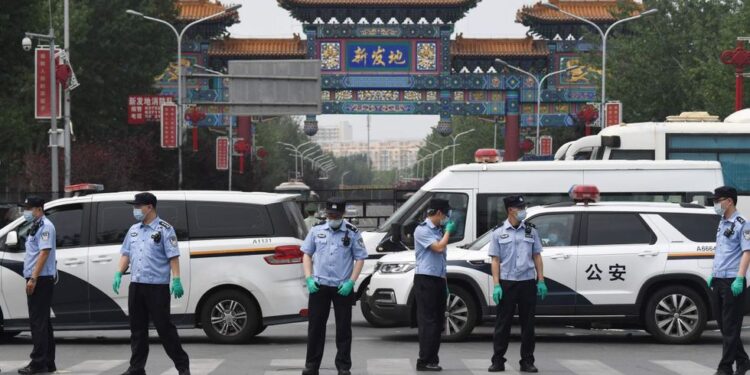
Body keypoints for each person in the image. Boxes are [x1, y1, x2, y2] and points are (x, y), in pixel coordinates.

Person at [113, 192, 190, 375]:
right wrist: (118, 272)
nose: (135, 210)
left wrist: (176, 279)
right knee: (137, 330)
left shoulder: (165, 229)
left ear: (149, 207)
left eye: (138, 207)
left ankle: (182, 365)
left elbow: (173, 256)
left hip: (157, 287)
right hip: (137, 286)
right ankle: (137, 368)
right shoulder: (133, 230)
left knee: (164, 329)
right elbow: (126, 254)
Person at [301, 197, 368, 375]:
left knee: (343, 328)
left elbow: (360, 258)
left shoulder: (353, 232)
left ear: (343, 214)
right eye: (330, 214)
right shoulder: (316, 230)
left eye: (336, 215)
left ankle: (344, 366)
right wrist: (309, 278)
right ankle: (311, 366)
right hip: (319, 285)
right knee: (315, 327)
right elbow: (307, 254)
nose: (332, 218)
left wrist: (351, 282)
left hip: (342, 286)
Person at [488, 195, 546, 373]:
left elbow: (537, 256)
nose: (523, 211)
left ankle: (527, 361)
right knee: (502, 324)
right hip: (507, 283)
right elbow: (495, 260)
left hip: (527, 282)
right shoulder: (498, 232)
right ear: (510, 210)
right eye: (520, 208)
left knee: (528, 325)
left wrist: (541, 280)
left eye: (523, 207)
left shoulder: (531, 231)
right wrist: (497, 284)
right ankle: (498, 361)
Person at [708, 186, 750, 375]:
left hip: (733, 281)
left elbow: (747, 252)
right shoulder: (722, 222)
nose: (716, 204)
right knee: (724, 326)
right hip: (719, 279)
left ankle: (725, 368)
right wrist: (713, 273)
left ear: (729, 201)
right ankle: (743, 361)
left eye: (718, 200)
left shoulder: (743, 223)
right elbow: (721, 251)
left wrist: (740, 278)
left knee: (731, 326)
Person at [413, 198, 456, 372]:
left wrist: (444, 282)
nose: (447, 218)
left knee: (438, 321)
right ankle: (424, 360)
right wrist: (448, 232)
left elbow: (441, 260)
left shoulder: (438, 230)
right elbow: (438, 248)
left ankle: (433, 359)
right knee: (428, 321)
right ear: (438, 213)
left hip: (437, 278)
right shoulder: (422, 230)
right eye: (446, 215)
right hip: (425, 279)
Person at [18, 196, 57, 375]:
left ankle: (38, 363)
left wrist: (33, 278)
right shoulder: (36, 226)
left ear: (38, 209)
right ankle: (48, 362)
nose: (26, 212)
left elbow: (44, 253)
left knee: (38, 322)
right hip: (38, 278)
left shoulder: (46, 227)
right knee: (43, 322)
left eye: (29, 208)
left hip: (40, 279)